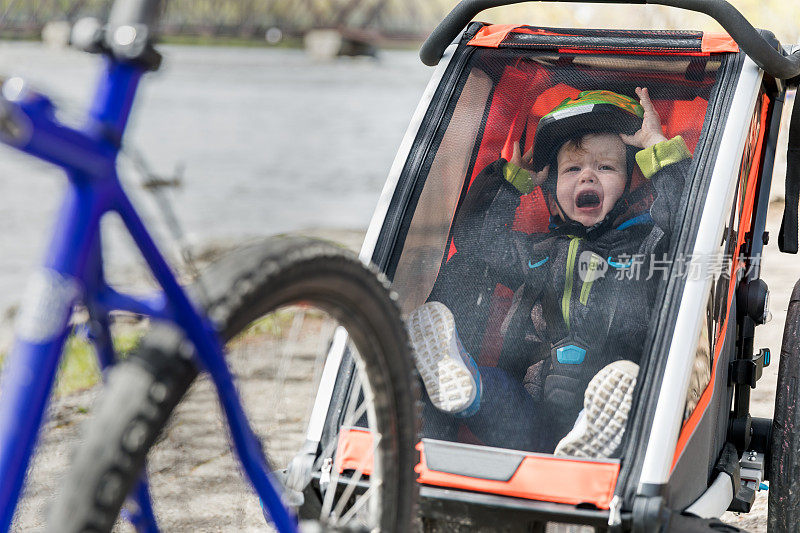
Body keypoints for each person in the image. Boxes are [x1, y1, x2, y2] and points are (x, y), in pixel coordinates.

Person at [407, 87, 693, 456]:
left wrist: (655, 143)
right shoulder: (540, 253)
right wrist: (514, 180)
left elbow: (691, 220)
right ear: (553, 187)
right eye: (572, 169)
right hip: (532, 415)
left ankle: (590, 436)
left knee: (626, 382)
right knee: (495, 396)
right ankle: (461, 378)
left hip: (619, 407)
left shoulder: (650, 247)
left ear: (633, 183)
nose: (587, 177)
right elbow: (477, 239)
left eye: (605, 167)